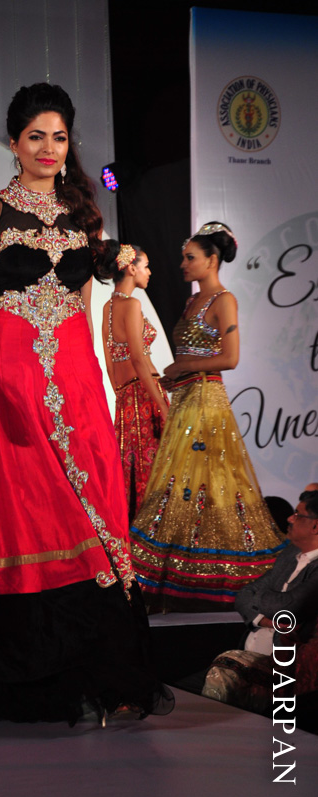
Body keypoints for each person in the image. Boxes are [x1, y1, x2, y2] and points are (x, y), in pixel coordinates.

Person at [0, 83, 174, 725]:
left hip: (77, 382)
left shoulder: (84, 213)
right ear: (14, 143)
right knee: (35, 514)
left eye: (58, 137)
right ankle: (37, 678)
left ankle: (99, 674)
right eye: (36, 136)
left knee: (95, 514)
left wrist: (103, 378)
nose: (49, 148)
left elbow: (88, 305)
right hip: (12, 378)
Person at [130, 222, 286, 613]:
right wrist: (176, 376)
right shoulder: (191, 302)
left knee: (212, 483)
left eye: (190, 257)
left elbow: (230, 358)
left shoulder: (223, 299)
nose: (183, 264)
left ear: (212, 260)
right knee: (181, 486)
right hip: (186, 398)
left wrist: (182, 367)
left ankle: (216, 579)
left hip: (205, 401)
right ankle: (180, 576)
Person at [201, 489, 318, 715]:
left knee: (226, 667)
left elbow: (289, 606)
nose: (289, 518)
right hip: (252, 651)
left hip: (285, 663)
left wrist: (260, 597)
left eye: (297, 514)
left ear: (315, 526)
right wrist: (264, 620)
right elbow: (244, 594)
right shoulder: (290, 554)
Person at [100, 241, 169, 522]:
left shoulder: (108, 307)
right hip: (146, 393)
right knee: (156, 470)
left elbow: (109, 364)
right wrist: (161, 405)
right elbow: (139, 359)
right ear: (131, 268)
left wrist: (121, 396)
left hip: (126, 399)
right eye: (146, 266)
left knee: (131, 468)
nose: (149, 272)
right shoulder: (132, 304)